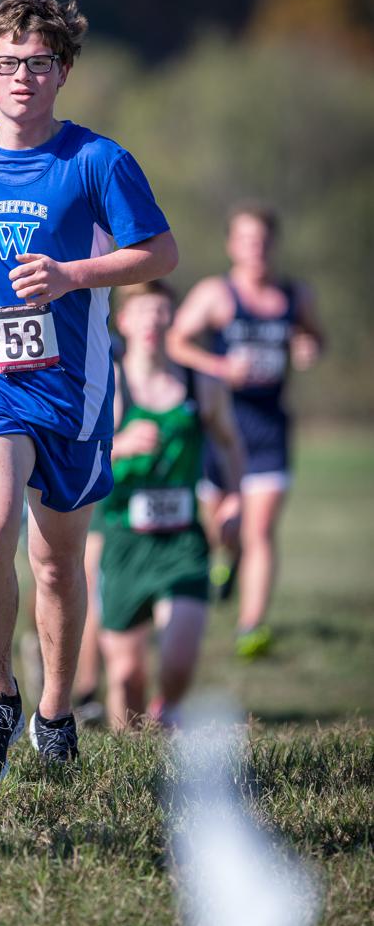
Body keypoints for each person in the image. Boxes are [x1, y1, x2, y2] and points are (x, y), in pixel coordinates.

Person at [0, 0, 177, 781]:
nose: (21, 77)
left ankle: (55, 711)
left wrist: (72, 274)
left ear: (62, 71)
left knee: (58, 563)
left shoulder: (98, 160)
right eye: (7, 63)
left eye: (38, 63)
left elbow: (159, 253)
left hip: (76, 386)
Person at [167, 203, 324, 657]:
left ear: (274, 245)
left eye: (263, 240)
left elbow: (314, 335)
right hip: (220, 429)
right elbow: (175, 341)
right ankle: (226, 558)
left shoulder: (296, 296)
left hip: (269, 429)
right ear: (231, 246)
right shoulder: (217, 295)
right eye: (246, 240)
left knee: (260, 531)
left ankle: (251, 626)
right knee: (224, 528)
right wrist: (217, 366)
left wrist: (306, 345)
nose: (256, 248)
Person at [96, 282, 243, 728]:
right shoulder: (109, 380)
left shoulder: (201, 384)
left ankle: (169, 713)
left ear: (172, 320)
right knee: (125, 675)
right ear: (123, 321)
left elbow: (232, 445)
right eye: (142, 313)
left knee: (177, 660)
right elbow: (76, 450)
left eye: (161, 312)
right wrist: (119, 445)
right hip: (123, 538)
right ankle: (126, 761)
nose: (152, 322)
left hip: (183, 541)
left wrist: (233, 499)